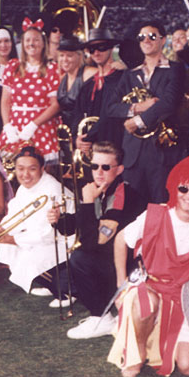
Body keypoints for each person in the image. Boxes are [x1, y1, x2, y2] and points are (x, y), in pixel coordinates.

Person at [108, 155, 189, 377]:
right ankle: (137, 351)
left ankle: (164, 339)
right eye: (183, 188)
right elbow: (120, 240)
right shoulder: (156, 215)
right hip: (152, 286)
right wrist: (120, 282)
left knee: (188, 367)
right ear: (174, 188)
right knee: (144, 304)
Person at [46, 141, 145, 338]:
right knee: (56, 279)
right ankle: (95, 299)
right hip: (104, 260)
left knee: (79, 259)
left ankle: (101, 317)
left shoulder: (123, 194)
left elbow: (93, 242)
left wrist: (88, 202)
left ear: (119, 170)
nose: (99, 172)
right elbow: (85, 224)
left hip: (126, 266)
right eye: (95, 166)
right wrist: (60, 221)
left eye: (106, 167)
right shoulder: (100, 189)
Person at [104, 20, 187, 203]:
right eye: (142, 37)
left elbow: (168, 103)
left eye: (152, 36)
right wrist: (137, 107)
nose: (146, 40)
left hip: (162, 153)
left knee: (161, 208)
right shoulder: (130, 74)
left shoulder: (175, 70)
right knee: (131, 211)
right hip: (133, 153)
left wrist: (138, 121)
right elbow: (111, 107)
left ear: (163, 40)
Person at [0, 146, 72, 293]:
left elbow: (47, 235)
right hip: (46, 239)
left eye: (32, 169)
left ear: (42, 169)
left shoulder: (52, 190)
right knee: (9, 248)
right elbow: (15, 216)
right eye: (20, 169)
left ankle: (65, 291)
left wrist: (5, 238)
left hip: (64, 243)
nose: (25, 175)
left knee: (27, 258)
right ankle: (51, 284)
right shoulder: (25, 187)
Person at [0, 18, 61, 163]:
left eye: (36, 40)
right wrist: (7, 126)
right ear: (22, 44)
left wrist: (33, 125)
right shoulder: (13, 66)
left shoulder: (51, 69)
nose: (31, 44)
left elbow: (55, 105)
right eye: (28, 40)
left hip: (41, 126)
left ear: (44, 43)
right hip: (15, 126)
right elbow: (5, 101)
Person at [79, 27, 125, 150]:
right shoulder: (87, 85)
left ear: (111, 48)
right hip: (91, 147)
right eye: (92, 49)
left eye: (102, 47)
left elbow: (111, 115)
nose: (96, 53)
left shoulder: (122, 79)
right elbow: (77, 115)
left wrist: (88, 136)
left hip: (115, 144)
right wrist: (77, 139)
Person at [55, 35, 88, 131]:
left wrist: (119, 65)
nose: (64, 59)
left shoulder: (87, 73)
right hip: (66, 133)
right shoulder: (62, 78)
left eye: (69, 56)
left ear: (79, 56)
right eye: (61, 55)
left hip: (82, 132)